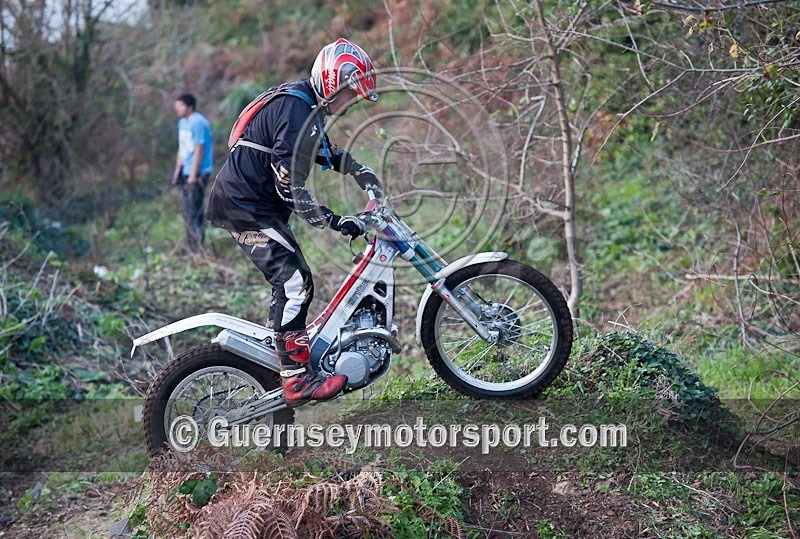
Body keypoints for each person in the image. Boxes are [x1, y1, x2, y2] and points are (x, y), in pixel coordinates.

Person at [205, 38, 381, 403]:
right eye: (350, 96)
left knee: (297, 280)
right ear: (334, 83)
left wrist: (360, 171)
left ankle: (291, 358)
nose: (349, 106)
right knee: (294, 282)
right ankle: (296, 379)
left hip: (255, 205)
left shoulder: (305, 106)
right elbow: (291, 189)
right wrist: (336, 222)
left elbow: (323, 150)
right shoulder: (296, 109)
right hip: (245, 207)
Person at [172, 93, 213, 255]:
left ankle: (199, 248)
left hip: (198, 174)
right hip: (186, 171)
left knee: (195, 210)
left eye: (180, 106)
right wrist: (177, 172)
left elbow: (199, 149)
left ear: (189, 106)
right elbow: (182, 148)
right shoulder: (182, 123)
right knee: (187, 210)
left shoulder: (198, 123)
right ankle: (191, 246)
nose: (177, 109)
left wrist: (193, 176)